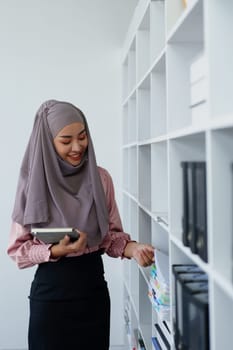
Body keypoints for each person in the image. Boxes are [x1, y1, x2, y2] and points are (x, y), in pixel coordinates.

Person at [7, 99, 155, 350]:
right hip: (51, 298)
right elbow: (17, 251)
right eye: (66, 141)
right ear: (47, 142)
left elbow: (110, 238)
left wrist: (135, 248)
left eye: (83, 137)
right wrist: (54, 251)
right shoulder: (32, 185)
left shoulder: (100, 178)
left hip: (93, 294)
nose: (77, 147)